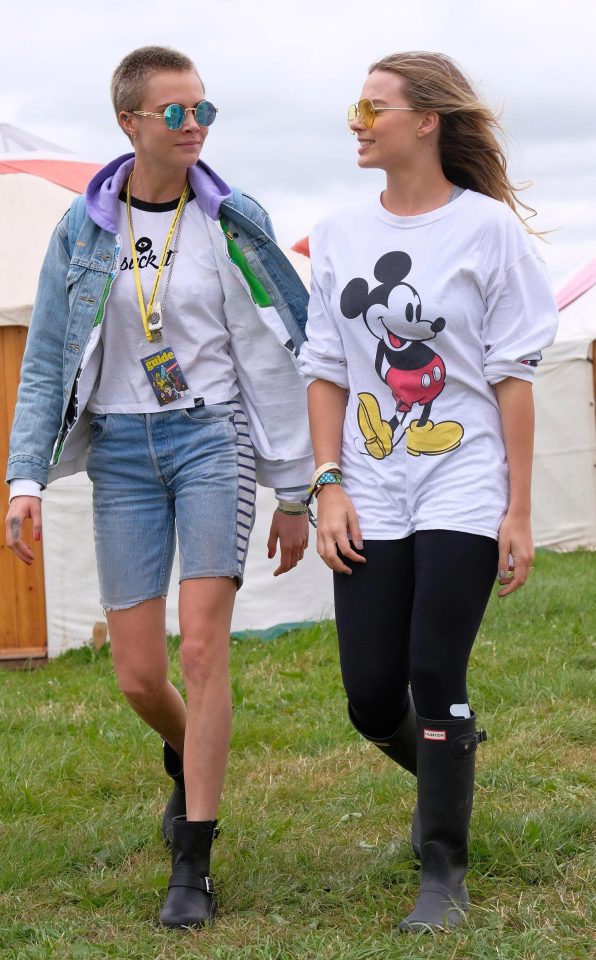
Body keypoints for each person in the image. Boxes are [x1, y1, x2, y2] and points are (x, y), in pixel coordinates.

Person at [5, 46, 312, 929]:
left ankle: (195, 857)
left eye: (203, 111)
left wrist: (295, 490)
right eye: (176, 113)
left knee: (204, 648)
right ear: (129, 123)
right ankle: (193, 752)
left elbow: (278, 350)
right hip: (123, 459)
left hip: (211, 438)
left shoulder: (229, 217)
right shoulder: (82, 229)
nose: (194, 127)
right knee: (140, 674)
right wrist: (25, 476)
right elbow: (48, 362)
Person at [299, 51, 558, 932]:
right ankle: (451, 762)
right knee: (370, 694)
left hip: (462, 476)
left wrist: (518, 507)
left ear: (427, 121)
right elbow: (327, 367)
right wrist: (326, 485)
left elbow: (514, 374)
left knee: (433, 669)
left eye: (373, 107)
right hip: (368, 481)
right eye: (356, 108)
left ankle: (443, 865)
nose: (358, 123)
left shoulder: (486, 231)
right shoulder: (335, 233)